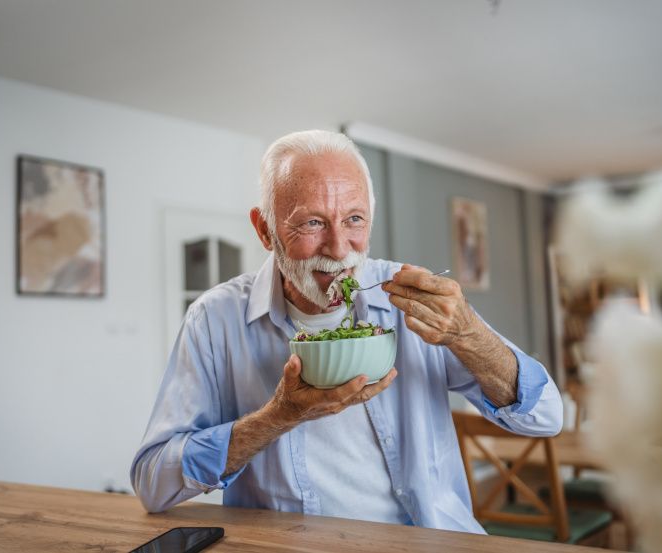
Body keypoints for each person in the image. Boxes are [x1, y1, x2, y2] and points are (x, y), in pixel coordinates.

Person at [131, 130, 563, 533]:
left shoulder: (413, 294)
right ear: (265, 230)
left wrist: (469, 335)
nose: (339, 249)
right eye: (311, 223)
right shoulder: (214, 319)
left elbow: (545, 416)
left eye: (353, 219)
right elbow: (153, 483)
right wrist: (279, 416)